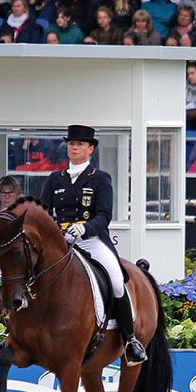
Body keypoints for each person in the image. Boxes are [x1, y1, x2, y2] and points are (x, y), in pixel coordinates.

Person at [40, 124, 147, 365]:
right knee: (31, 273)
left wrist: (85, 227)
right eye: (71, 144)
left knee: (117, 281)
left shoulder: (99, 179)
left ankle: (130, 340)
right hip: (62, 241)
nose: (74, 148)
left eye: (79, 144)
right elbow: (44, 212)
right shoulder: (55, 179)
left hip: (91, 242)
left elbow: (104, 215)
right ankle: (12, 333)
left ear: (90, 149)